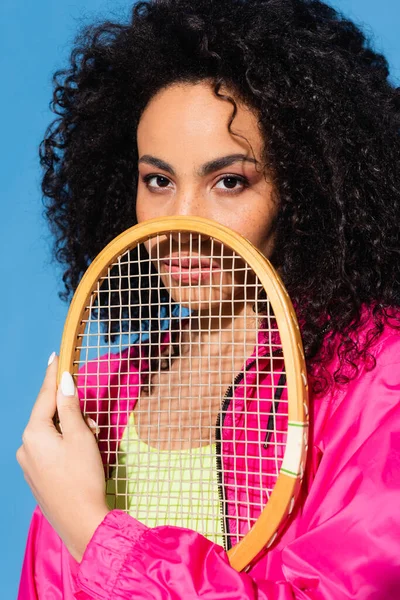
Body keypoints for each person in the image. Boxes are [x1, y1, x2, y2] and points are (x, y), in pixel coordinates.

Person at [17, 0, 400, 598]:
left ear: (305, 188)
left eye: (229, 181)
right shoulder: (95, 396)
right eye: (158, 181)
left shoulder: (380, 380)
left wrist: (97, 534)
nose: (182, 221)